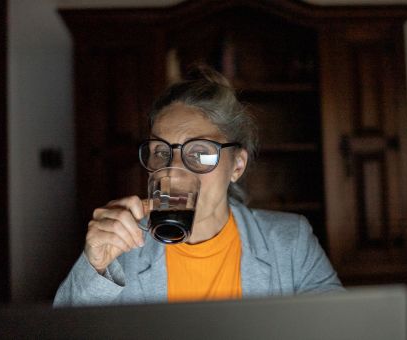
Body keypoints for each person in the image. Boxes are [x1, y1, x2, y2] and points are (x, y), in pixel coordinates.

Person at [53, 65, 342, 307]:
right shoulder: (121, 247)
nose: (175, 170)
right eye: (161, 152)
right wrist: (95, 267)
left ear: (237, 166)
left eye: (200, 153)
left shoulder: (290, 242)